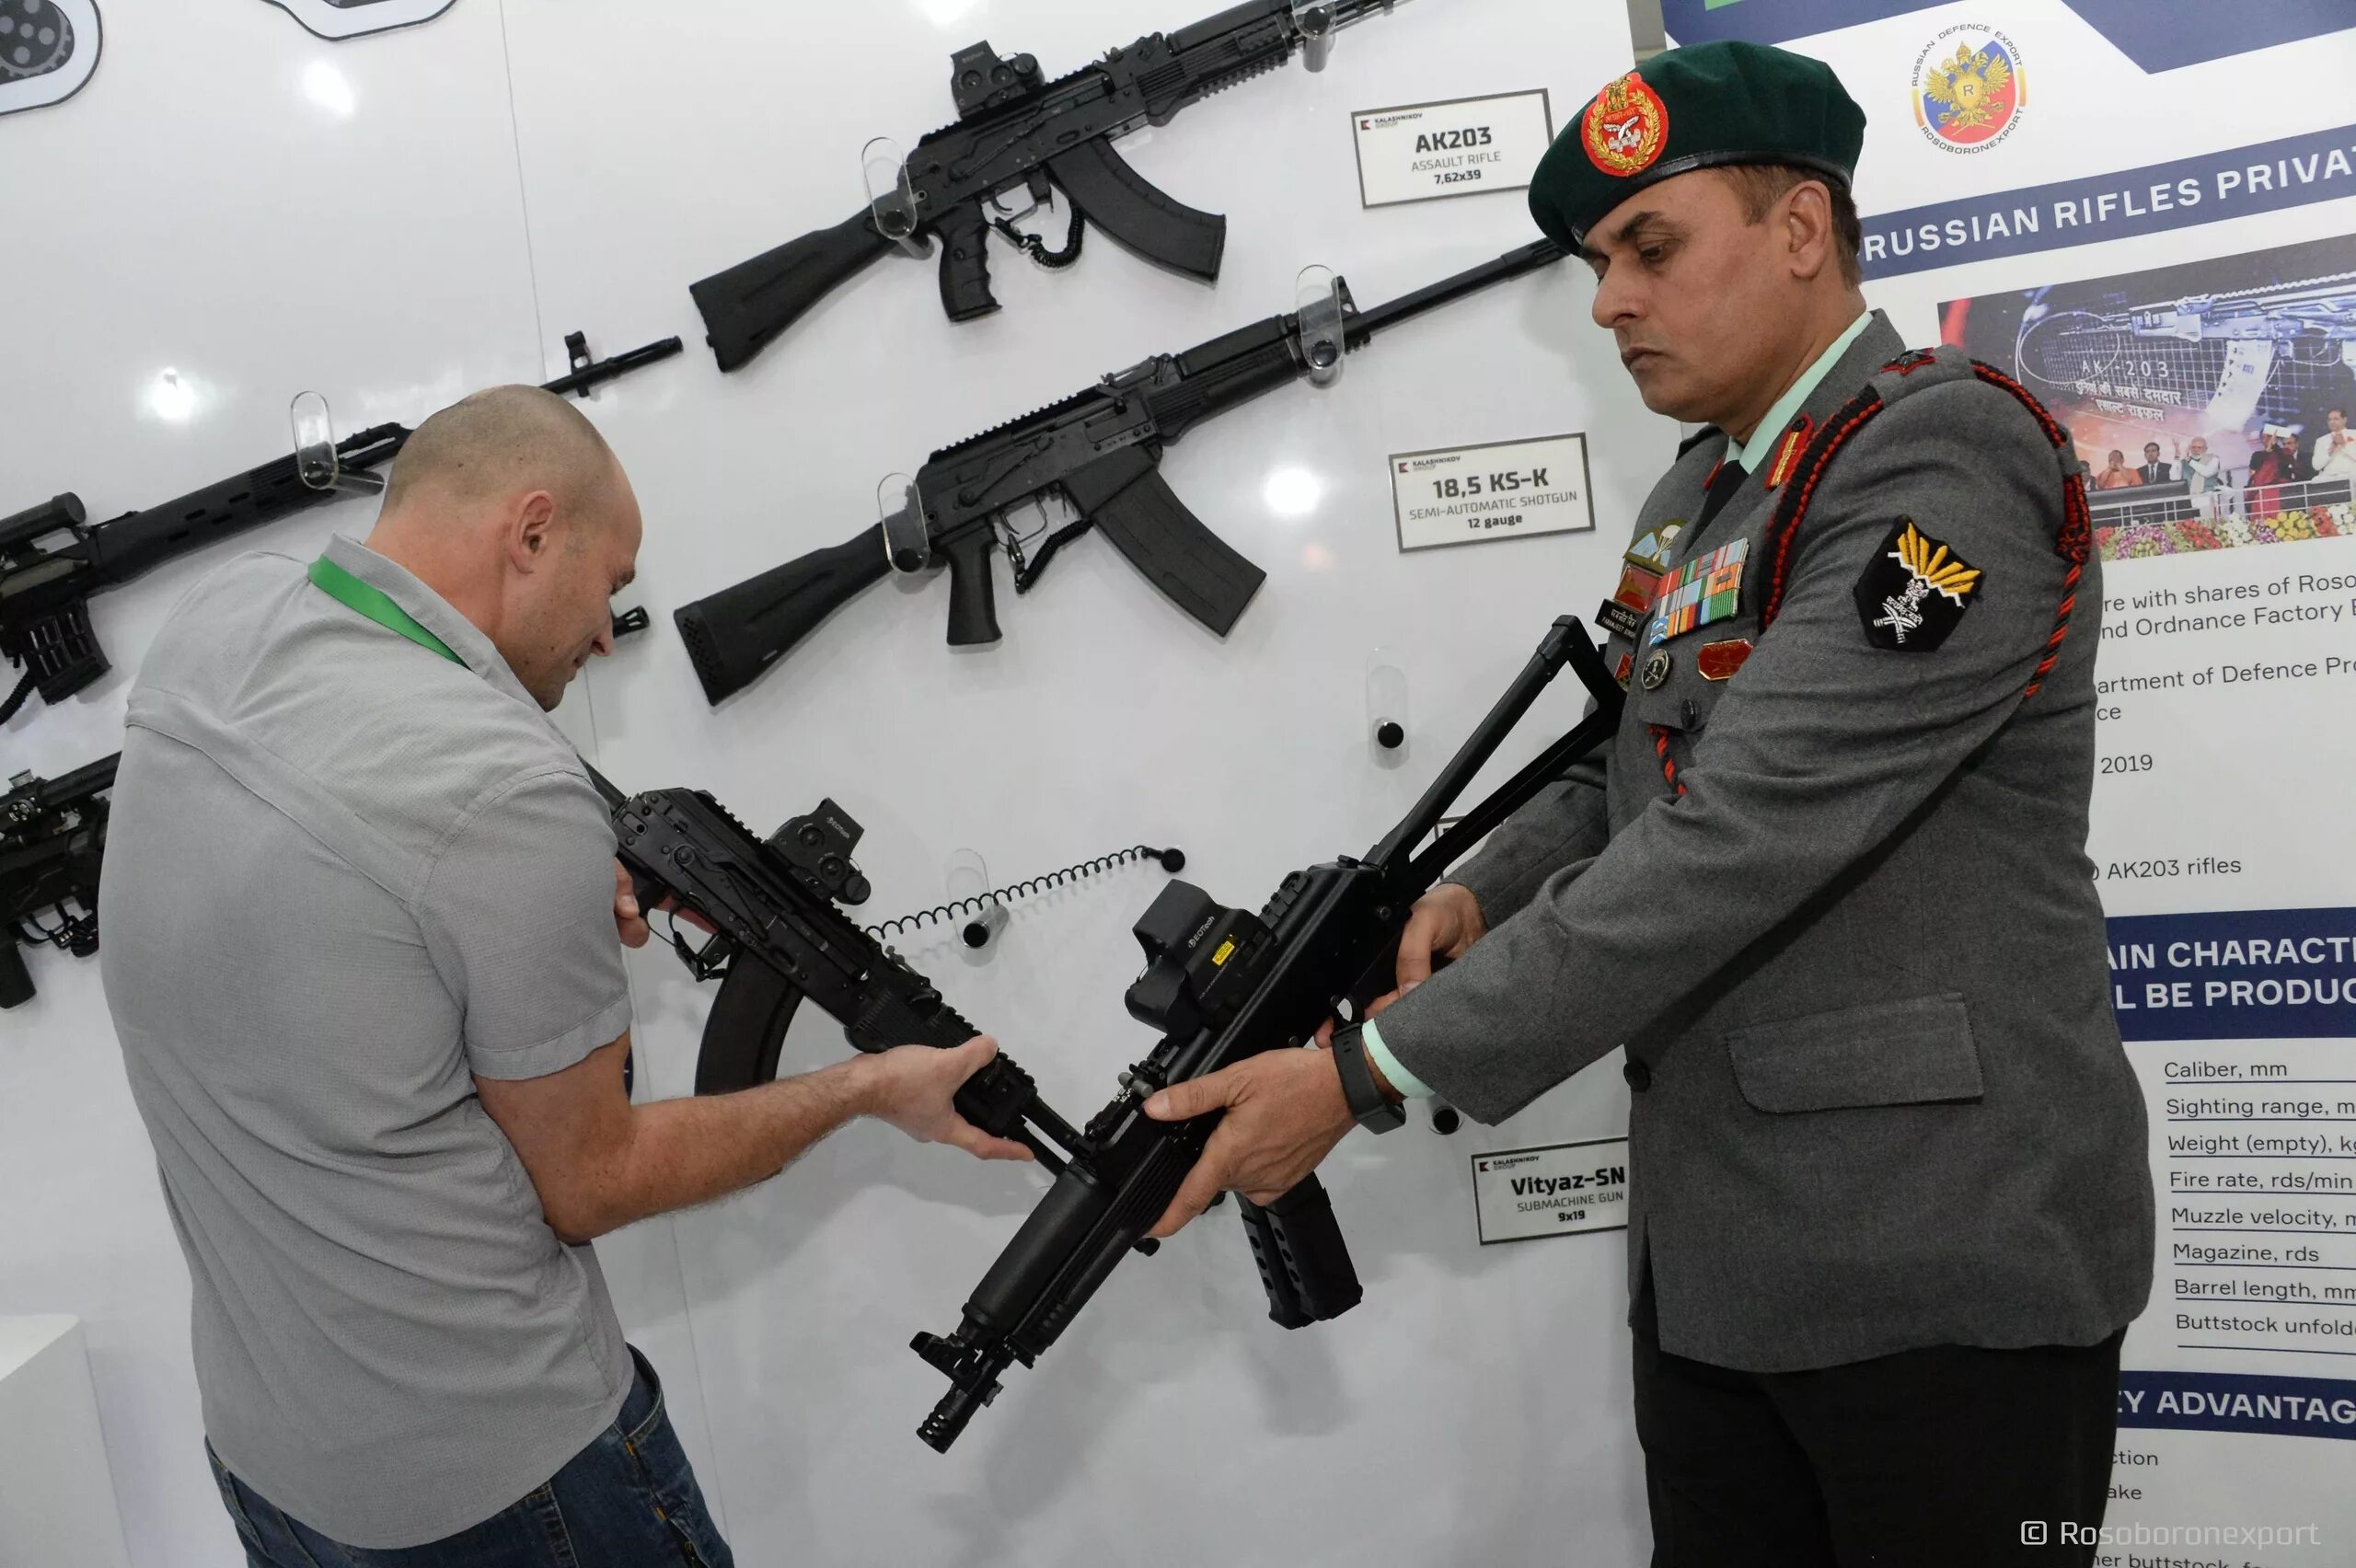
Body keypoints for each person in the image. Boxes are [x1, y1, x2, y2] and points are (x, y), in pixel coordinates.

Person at [1135, 40, 2151, 1568]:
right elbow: (1629, 763)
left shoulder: (1941, 456)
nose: (1609, 300)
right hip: (1724, 1268)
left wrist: (1368, 1070)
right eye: (1599, 262)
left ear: (1799, 229)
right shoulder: (1702, 497)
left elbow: (1739, 830)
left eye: (1650, 248)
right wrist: (1479, 891)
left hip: (1942, 1264)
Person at [100, 386, 1034, 1566]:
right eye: (610, 584)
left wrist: (504, 904)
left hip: (271, 1460)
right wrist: (867, 1089)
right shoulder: (507, 788)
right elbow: (593, 1180)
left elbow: (323, 903)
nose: (603, 637)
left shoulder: (218, 621)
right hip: (501, 1479)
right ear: (532, 531)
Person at [2176, 435, 2223, 516]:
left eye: (2199, 447)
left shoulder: (2213, 459)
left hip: (2207, 497)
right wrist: (2177, 457)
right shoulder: (2184, 462)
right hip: (2189, 499)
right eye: (2193, 447)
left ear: (2206, 448)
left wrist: (2189, 460)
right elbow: (2174, 477)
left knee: (2208, 522)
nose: (2196, 450)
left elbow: (2207, 472)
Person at [2315, 408, 2356, 501]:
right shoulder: (2321, 441)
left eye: (2336, 419)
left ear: (2344, 420)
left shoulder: (2354, 434)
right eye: (2330, 419)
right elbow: (2316, 466)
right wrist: (2330, 452)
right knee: (2315, 481)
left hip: (2352, 478)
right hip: (2329, 480)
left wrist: (2344, 445)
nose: (2332, 422)